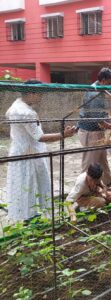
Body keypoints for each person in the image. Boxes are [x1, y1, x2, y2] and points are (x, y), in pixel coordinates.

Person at [5, 79, 76, 221]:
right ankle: (29, 218)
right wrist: (63, 135)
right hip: (29, 153)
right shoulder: (26, 113)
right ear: (31, 93)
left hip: (21, 150)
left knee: (24, 184)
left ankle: (27, 214)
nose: (41, 97)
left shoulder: (16, 105)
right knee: (30, 183)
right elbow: (40, 136)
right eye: (40, 94)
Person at [77, 67, 111, 187]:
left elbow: (102, 113)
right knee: (90, 162)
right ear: (103, 80)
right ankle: (83, 188)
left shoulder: (99, 89)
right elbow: (99, 120)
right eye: (110, 82)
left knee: (102, 158)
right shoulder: (95, 93)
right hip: (91, 132)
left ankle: (107, 182)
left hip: (97, 131)